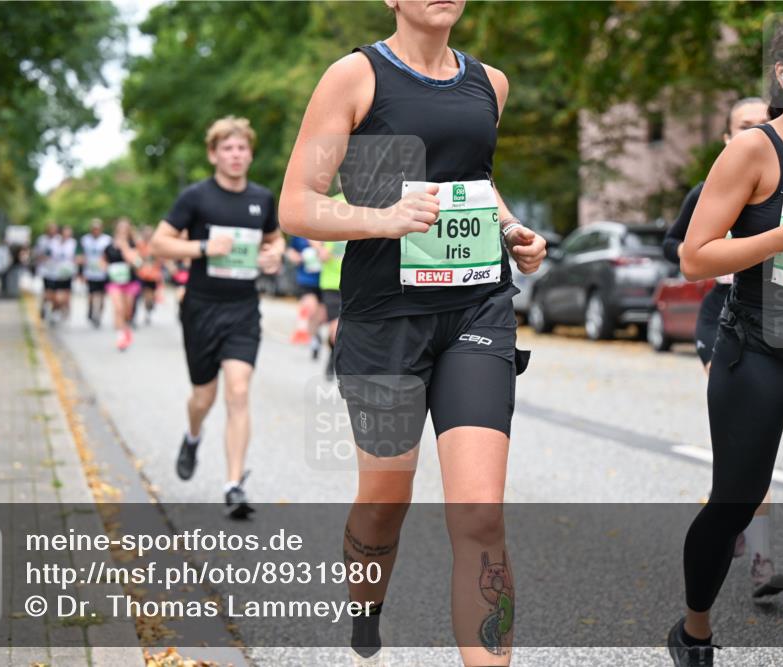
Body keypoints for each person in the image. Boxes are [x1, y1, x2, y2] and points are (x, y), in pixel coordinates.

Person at [279, 2, 546, 664]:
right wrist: (385, 216)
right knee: (383, 502)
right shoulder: (354, 76)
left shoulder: (491, 83)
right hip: (384, 318)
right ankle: (366, 608)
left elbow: (477, 185)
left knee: (480, 514)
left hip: (477, 310)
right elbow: (297, 204)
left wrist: (512, 230)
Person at [668, 7, 783, 666]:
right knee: (734, 502)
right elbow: (695, 256)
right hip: (757, 351)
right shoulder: (753, 150)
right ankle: (694, 628)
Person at [664, 97, 783, 602]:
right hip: (726, 315)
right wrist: (720, 253)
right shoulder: (709, 187)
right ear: (726, 138)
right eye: (745, 126)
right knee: (749, 445)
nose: (756, 132)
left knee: (752, 462)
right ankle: (760, 559)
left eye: (764, 123)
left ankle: (746, 535)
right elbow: (677, 248)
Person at [151, 116, 285, 519]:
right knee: (203, 398)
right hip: (201, 309)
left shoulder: (262, 198)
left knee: (239, 391)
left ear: (250, 153)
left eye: (242, 148)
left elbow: (274, 240)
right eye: (228, 148)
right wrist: (205, 246)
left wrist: (274, 254)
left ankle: (233, 484)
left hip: (243, 308)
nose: (236, 155)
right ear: (213, 154)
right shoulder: (195, 197)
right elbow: (159, 243)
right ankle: (193, 436)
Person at [311, 192, 348, 381]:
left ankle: (335, 357)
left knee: (348, 329)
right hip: (332, 281)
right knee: (335, 329)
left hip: (358, 280)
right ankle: (332, 358)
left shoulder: (370, 202)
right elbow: (309, 228)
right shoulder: (332, 202)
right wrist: (319, 249)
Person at [105, 218, 142, 351]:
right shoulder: (109, 245)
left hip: (130, 281)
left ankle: (126, 328)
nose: (122, 231)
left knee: (127, 311)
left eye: (125, 229)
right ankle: (120, 337)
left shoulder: (133, 244)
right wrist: (107, 268)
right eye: (120, 228)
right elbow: (103, 260)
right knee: (118, 308)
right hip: (114, 282)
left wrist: (124, 246)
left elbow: (136, 262)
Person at [287, 235, 325, 358]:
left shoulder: (331, 229)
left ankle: (315, 335)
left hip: (326, 279)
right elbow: (290, 250)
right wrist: (295, 256)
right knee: (310, 307)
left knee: (321, 315)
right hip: (306, 279)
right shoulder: (300, 232)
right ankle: (312, 336)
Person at [79, 218, 112, 328]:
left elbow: (110, 255)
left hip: (103, 272)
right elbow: (82, 256)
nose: (95, 231)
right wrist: (81, 272)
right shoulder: (85, 240)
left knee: (102, 296)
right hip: (90, 272)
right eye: (94, 229)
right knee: (92, 295)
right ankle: (91, 311)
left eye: (97, 229)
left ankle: (99, 316)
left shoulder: (107, 240)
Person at [46, 225, 77, 324]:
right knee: (54, 297)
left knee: (64, 297)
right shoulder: (53, 243)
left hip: (67, 274)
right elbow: (46, 255)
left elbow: (78, 257)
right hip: (54, 273)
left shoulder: (73, 243)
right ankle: (55, 311)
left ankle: (63, 309)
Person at [136, 224, 165, 325]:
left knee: (152, 294)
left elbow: (160, 259)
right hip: (143, 274)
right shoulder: (140, 245)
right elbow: (137, 257)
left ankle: (150, 306)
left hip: (154, 274)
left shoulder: (155, 245)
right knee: (146, 293)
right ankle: (147, 308)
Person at [32, 222, 59, 319]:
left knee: (55, 294)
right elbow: (36, 253)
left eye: (54, 229)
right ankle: (44, 307)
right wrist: (41, 257)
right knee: (46, 291)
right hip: (44, 270)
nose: (52, 232)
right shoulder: (42, 240)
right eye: (50, 229)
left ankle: (53, 310)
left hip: (56, 272)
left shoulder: (59, 241)